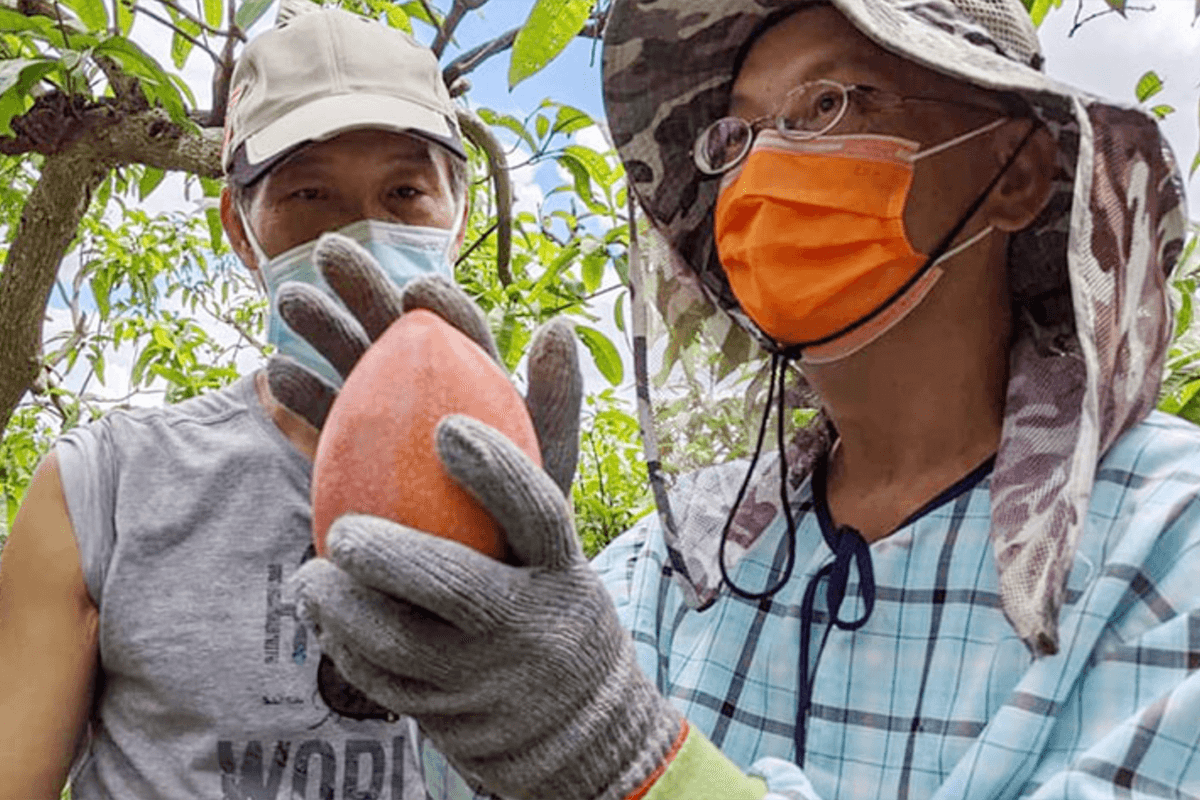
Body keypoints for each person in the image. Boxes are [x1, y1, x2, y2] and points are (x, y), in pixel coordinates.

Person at [289, 0, 1199, 798]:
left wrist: (640, 770)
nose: (761, 171)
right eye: (735, 138)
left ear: (1015, 172)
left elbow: (596, 757)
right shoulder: (681, 561)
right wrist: (462, 613)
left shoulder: (1165, 546)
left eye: (828, 104)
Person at [0, 4, 581, 798]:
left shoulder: (527, 486)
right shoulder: (104, 486)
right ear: (240, 229)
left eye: (405, 191)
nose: (358, 238)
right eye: (309, 195)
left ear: (460, 214)